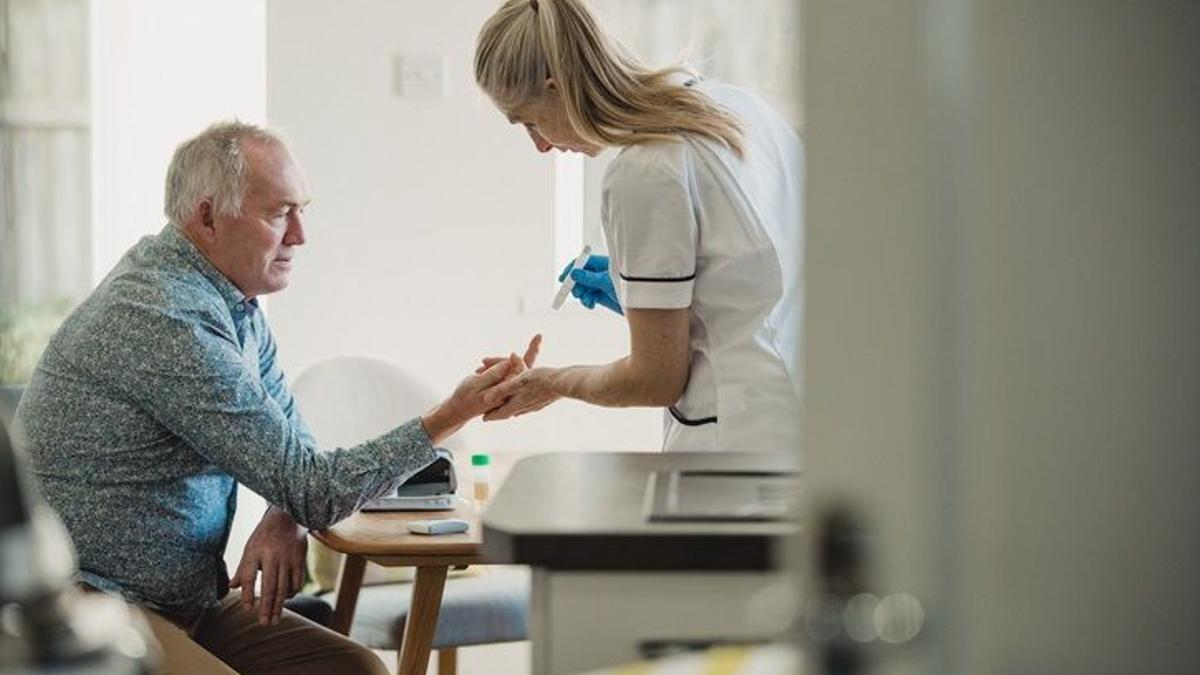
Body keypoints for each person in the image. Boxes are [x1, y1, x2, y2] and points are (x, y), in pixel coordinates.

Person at [15, 121, 524, 675]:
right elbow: (314, 486)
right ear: (207, 217)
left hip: (189, 601)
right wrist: (452, 414)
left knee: (357, 670)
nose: (300, 235)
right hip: (103, 603)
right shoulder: (165, 317)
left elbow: (295, 454)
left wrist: (286, 514)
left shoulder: (232, 306)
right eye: (279, 213)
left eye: (302, 210)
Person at [472, 0, 804, 453]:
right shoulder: (738, 108)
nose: (541, 146)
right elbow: (754, 282)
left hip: (738, 449)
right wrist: (648, 297)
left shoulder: (644, 168)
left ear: (560, 87)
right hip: (807, 419)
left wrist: (551, 382)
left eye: (531, 122)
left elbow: (654, 381)